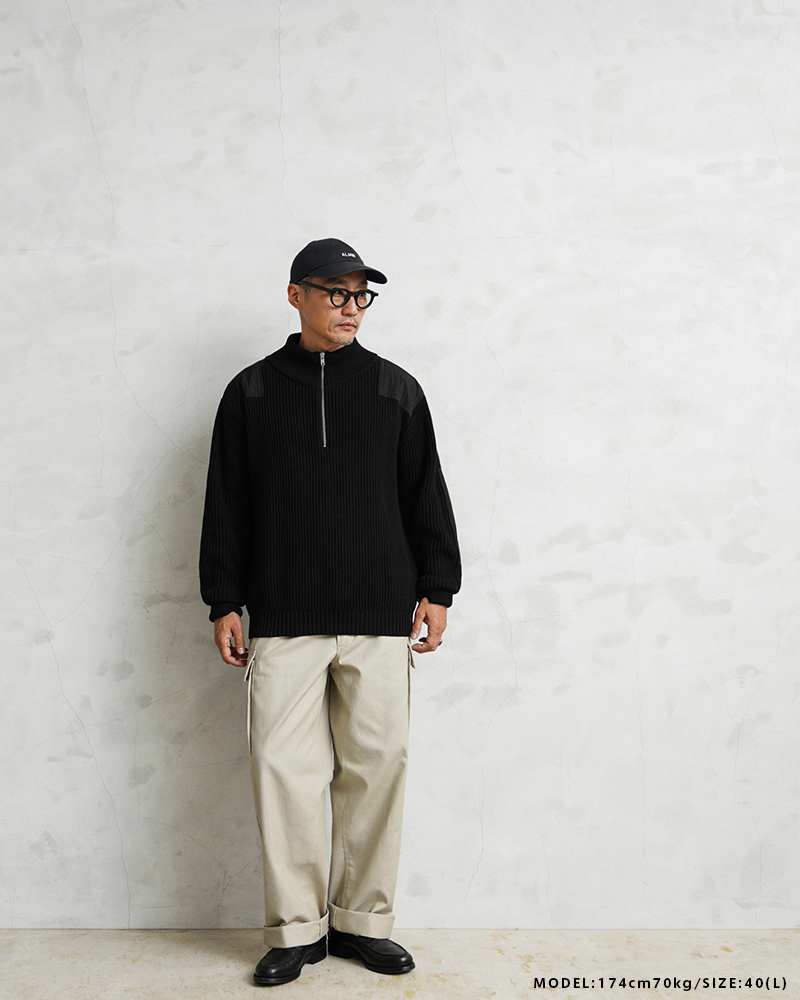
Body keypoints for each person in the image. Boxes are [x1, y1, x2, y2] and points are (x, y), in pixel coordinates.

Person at [199, 238, 462, 987]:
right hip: (283, 612)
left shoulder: (395, 389)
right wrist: (224, 598)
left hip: (380, 611)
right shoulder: (250, 392)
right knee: (281, 770)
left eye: (361, 296)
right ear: (296, 296)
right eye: (336, 292)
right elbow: (226, 502)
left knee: (378, 768)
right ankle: (295, 931)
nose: (351, 308)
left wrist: (438, 587)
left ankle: (362, 924)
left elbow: (425, 491)